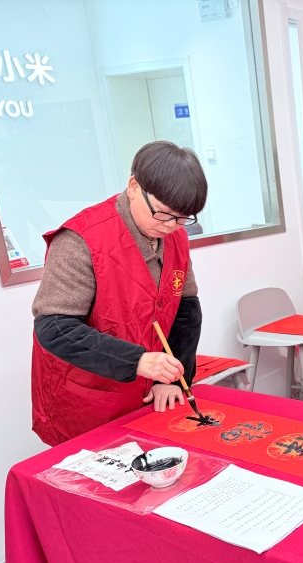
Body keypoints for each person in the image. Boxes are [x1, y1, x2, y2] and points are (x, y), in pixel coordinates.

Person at [31, 141, 206, 446]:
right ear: (134, 187)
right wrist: (136, 361)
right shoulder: (81, 239)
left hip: (147, 394)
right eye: (163, 214)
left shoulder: (175, 235)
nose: (171, 226)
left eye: (183, 218)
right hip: (87, 396)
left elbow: (185, 311)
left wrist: (172, 379)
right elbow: (55, 328)